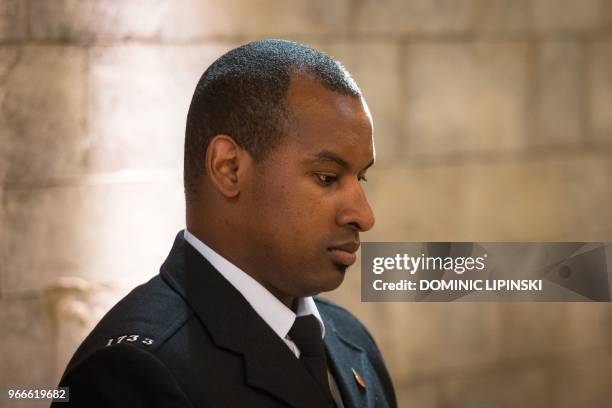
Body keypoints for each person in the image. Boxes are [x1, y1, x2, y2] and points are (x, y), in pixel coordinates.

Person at [53, 39, 396, 408]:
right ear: (229, 168)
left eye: (360, 178)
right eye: (327, 177)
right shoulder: (132, 375)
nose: (364, 216)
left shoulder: (352, 343)